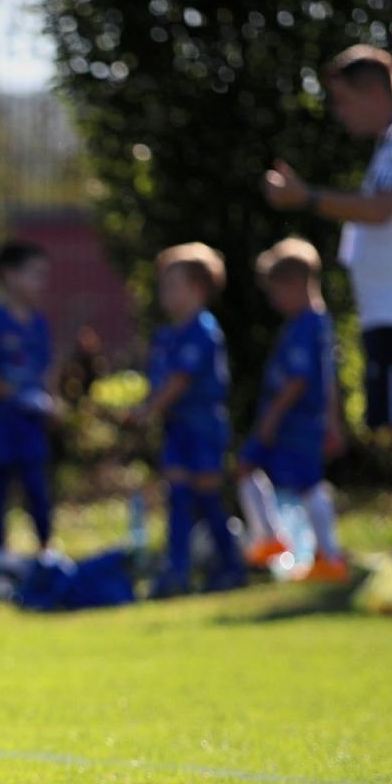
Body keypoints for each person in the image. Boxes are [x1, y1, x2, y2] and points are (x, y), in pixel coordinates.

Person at [263, 44, 392, 605]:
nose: (341, 114)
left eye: (346, 101)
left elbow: (381, 209)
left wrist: (307, 199)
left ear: (375, 91)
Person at [128, 243, 243, 598]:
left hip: (204, 427)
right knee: (177, 497)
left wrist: (148, 411)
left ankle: (231, 566)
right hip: (177, 428)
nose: (165, 293)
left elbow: (179, 382)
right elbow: (160, 381)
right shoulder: (166, 335)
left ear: (197, 289)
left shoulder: (204, 331)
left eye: (173, 285)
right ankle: (176, 573)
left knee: (207, 498)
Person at [236, 237, 349, 583]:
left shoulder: (308, 325)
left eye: (277, 291)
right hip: (296, 421)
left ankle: (327, 554)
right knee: (249, 466)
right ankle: (272, 539)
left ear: (297, 283)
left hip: (294, 422)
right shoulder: (313, 324)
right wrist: (334, 420)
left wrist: (272, 417)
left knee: (307, 485)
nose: (274, 300)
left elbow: (300, 381)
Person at [0, 240, 56, 555]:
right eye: (35, 274)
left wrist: (50, 399)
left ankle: (46, 548)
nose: (42, 282)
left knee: (37, 486)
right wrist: (13, 395)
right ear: (10, 276)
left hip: (31, 425)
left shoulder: (38, 324)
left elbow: (47, 369)